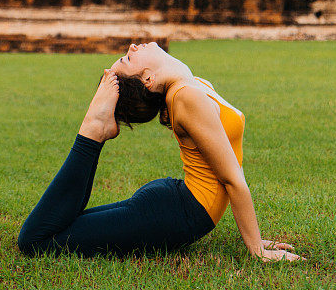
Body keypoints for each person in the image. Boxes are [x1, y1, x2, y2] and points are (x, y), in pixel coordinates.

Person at [17, 42, 305, 263]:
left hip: (173, 206)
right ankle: (93, 128)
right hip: (174, 214)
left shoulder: (191, 85)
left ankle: (97, 127)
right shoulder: (186, 96)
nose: (132, 47)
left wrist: (259, 241)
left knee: (61, 231)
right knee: (37, 241)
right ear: (148, 80)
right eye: (128, 59)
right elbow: (232, 179)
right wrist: (258, 250)